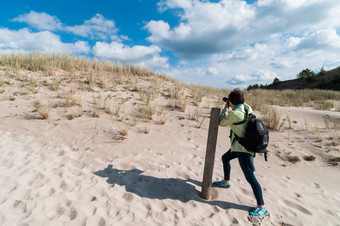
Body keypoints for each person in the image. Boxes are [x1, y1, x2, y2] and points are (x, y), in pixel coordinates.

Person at [213, 88, 267, 216]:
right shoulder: (247, 107)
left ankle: (261, 206)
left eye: (229, 101)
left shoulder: (236, 114)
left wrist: (225, 109)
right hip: (238, 146)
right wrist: (231, 104)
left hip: (244, 149)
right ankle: (226, 182)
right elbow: (238, 111)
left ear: (231, 102)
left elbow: (221, 122)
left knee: (250, 177)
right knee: (225, 158)